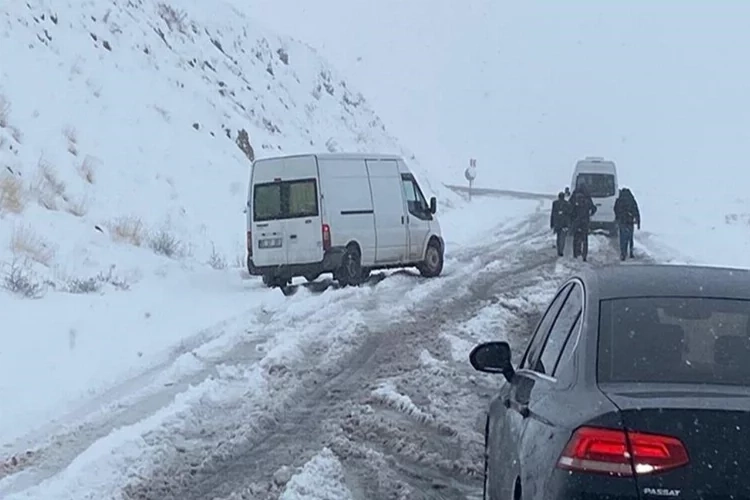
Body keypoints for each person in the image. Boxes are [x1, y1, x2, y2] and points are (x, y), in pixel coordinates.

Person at [570, 184, 597, 261]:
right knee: (584, 238)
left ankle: (575, 253)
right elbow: (594, 208)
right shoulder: (587, 199)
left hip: (576, 221)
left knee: (576, 238)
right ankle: (584, 255)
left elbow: (569, 208)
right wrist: (590, 213)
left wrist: (572, 217)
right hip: (585, 221)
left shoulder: (574, 198)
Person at [614, 187, 641, 260]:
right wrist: (638, 222)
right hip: (630, 221)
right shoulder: (631, 200)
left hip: (622, 221)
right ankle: (631, 252)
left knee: (623, 238)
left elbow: (615, 209)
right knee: (630, 237)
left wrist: (617, 218)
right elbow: (636, 210)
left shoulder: (619, 200)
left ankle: (623, 253)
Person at [550, 192, 573, 257]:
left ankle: (558, 250)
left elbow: (552, 214)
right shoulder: (567, 204)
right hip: (564, 224)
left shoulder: (555, 203)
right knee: (562, 238)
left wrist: (552, 224)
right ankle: (561, 250)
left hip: (557, 223)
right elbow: (570, 213)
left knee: (558, 237)